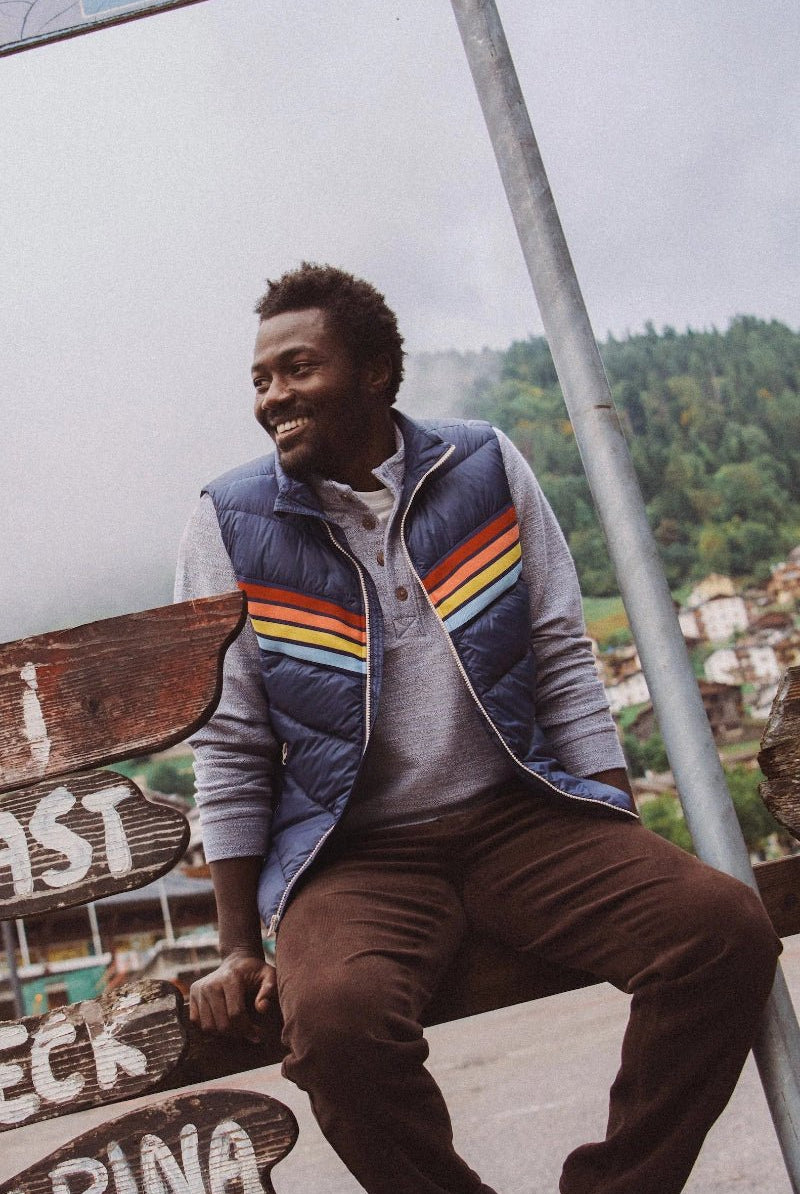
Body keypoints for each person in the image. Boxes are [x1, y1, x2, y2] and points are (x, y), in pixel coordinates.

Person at [176, 262, 780, 1194]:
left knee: (724, 930)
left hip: (523, 816)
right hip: (351, 855)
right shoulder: (230, 520)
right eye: (261, 379)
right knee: (336, 1026)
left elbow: (561, 653)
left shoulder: (483, 466)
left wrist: (610, 823)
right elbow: (232, 740)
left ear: (376, 370)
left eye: (298, 369)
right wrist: (237, 946)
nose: (273, 398)